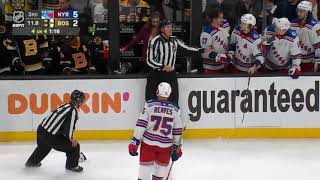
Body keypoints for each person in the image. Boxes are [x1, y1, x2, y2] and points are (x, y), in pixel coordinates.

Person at [129, 82, 183, 180]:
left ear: (157, 92)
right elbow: (178, 130)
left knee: (143, 175)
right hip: (165, 148)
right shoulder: (175, 109)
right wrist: (177, 148)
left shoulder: (149, 105)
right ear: (169, 94)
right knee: (158, 176)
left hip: (148, 145)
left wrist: (135, 142)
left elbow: (141, 124)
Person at [146, 19, 204, 104]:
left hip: (170, 75)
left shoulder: (175, 40)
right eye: (168, 27)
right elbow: (149, 60)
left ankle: (173, 116)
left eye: (171, 27)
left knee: (173, 101)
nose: (170, 29)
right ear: (162, 29)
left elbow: (188, 49)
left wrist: (203, 50)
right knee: (152, 101)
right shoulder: (155, 41)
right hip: (156, 75)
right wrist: (163, 66)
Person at [25, 90, 85, 172]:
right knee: (75, 146)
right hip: (50, 136)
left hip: (41, 129)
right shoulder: (73, 110)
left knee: (44, 147)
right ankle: (72, 166)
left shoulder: (65, 105)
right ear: (80, 101)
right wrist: (71, 139)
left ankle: (32, 162)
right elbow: (68, 128)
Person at [200, 6, 231, 74]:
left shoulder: (225, 24)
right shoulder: (206, 33)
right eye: (220, 18)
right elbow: (204, 52)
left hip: (224, 66)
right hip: (211, 68)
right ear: (213, 19)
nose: (222, 19)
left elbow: (228, 38)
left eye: (222, 17)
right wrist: (218, 57)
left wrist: (229, 52)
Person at [291, 1, 320, 72]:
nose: (298, 13)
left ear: (307, 12)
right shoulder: (293, 23)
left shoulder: (314, 26)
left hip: (310, 62)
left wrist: (317, 62)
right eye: (297, 10)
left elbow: (318, 46)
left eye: (301, 11)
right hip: (295, 61)